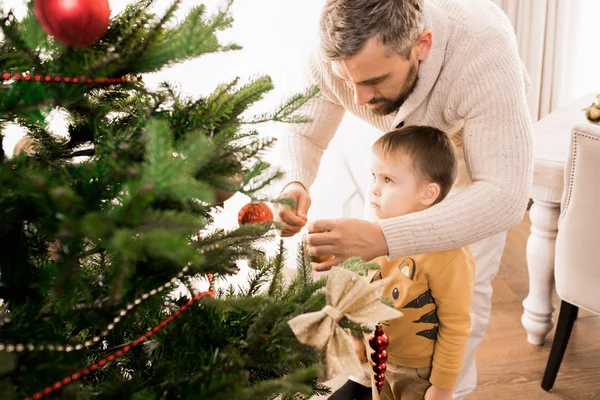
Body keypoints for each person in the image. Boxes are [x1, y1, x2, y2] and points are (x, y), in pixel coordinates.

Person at [275, 0, 533, 398]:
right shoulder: (336, 51)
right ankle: (370, 380)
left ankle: (445, 390)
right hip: (398, 158)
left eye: (375, 80)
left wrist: (386, 236)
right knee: (376, 273)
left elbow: (504, 195)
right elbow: (306, 132)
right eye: (348, 81)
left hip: (470, 162)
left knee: (461, 288)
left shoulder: (482, 51)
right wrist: (296, 183)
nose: (358, 99)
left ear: (422, 45)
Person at [334, 126, 475, 400]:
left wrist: (443, 386)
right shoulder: (374, 236)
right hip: (379, 356)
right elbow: (360, 291)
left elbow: (455, 325)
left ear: (427, 194)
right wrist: (355, 335)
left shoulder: (449, 256)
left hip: (419, 371)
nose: (374, 189)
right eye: (374, 176)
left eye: (388, 180)